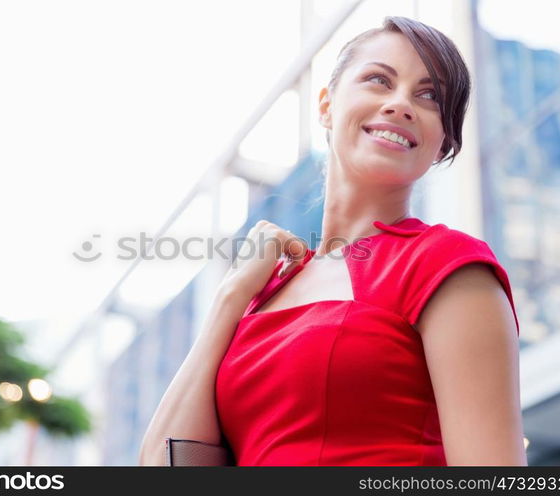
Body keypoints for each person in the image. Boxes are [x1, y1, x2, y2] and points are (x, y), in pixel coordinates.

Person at [138, 16, 527, 466]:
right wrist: (231, 295)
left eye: (430, 97)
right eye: (379, 80)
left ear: (442, 143)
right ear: (326, 105)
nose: (401, 105)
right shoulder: (260, 291)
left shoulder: (446, 264)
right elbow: (163, 465)